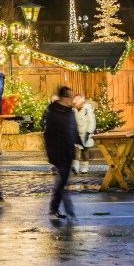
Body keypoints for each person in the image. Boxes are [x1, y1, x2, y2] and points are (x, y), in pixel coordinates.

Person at [44, 86, 81, 224]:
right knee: (63, 182)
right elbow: (48, 135)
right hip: (58, 151)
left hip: (68, 150)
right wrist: (51, 153)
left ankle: (53, 209)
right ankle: (70, 212)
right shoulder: (53, 113)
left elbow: (73, 128)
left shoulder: (68, 111)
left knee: (62, 182)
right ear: (64, 98)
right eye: (70, 97)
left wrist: (79, 141)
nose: (72, 100)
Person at [72, 93, 97, 173]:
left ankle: (85, 168)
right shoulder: (73, 110)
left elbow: (92, 121)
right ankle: (75, 167)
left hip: (86, 133)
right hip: (77, 133)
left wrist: (88, 132)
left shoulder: (87, 109)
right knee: (76, 150)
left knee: (85, 151)